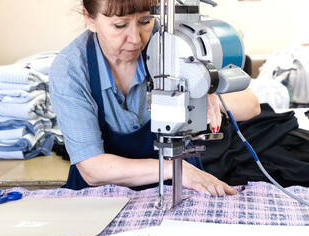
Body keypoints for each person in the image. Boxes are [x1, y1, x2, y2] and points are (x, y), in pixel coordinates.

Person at [49, 0, 261, 196]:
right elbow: (92, 169)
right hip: (103, 195)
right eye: (120, 25)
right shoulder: (71, 69)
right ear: (89, 18)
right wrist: (173, 169)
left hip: (177, 185)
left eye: (145, 21)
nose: (135, 38)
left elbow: (251, 106)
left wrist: (208, 91)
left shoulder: (172, 41)